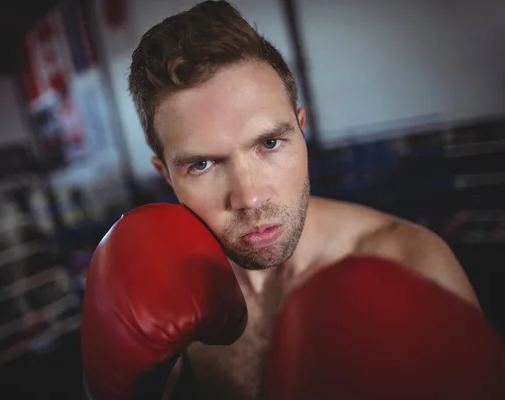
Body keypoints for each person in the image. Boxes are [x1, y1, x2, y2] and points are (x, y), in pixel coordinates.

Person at [81, 2, 503, 399]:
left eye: (269, 143)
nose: (249, 197)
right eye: (203, 164)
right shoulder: (165, 287)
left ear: (301, 131)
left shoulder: (415, 262)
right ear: (166, 175)